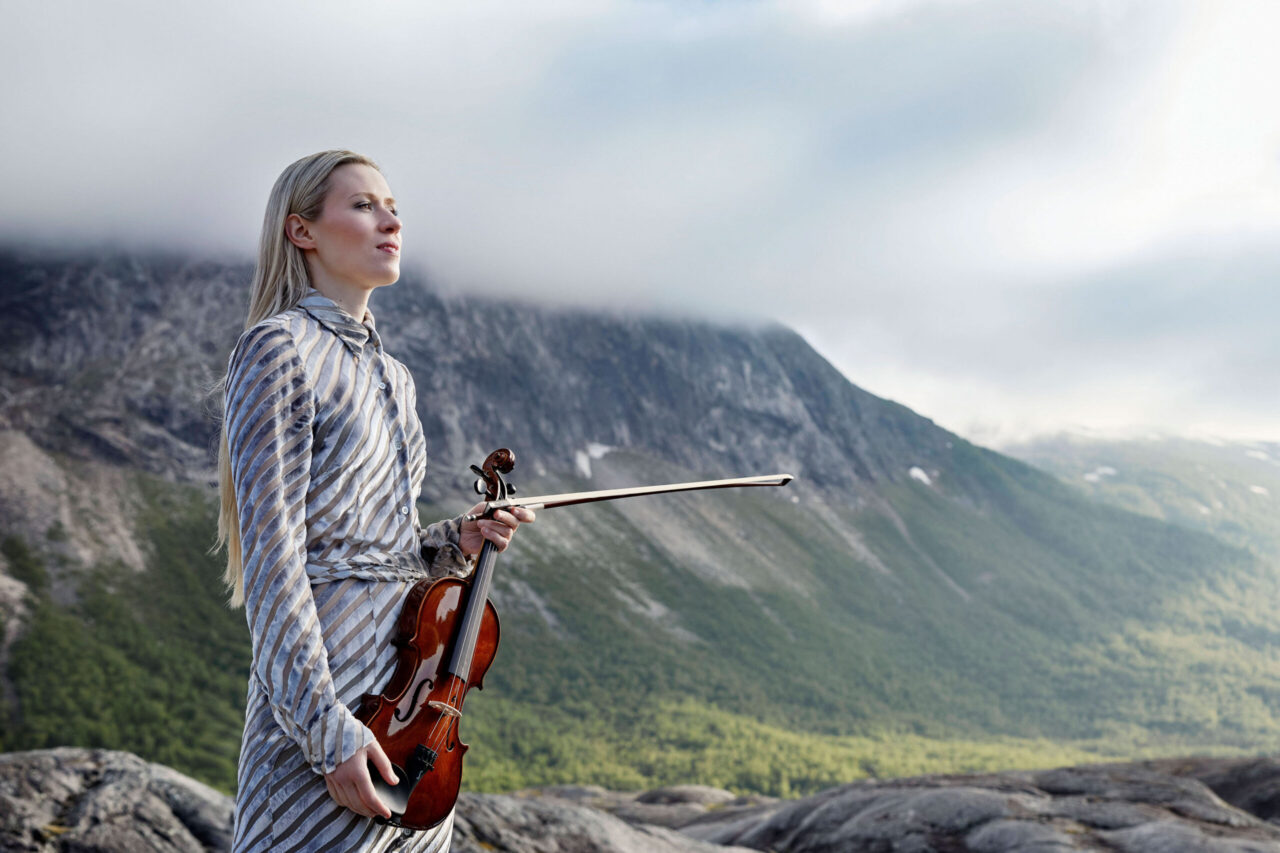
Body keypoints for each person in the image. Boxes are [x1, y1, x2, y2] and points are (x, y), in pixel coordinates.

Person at [213, 150, 534, 852]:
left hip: (408, 699)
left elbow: (387, 544)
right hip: (329, 690)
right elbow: (273, 558)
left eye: (393, 208)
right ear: (301, 230)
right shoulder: (278, 348)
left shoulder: (396, 376)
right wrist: (325, 731)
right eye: (363, 205)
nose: (391, 221)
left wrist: (455, 540)